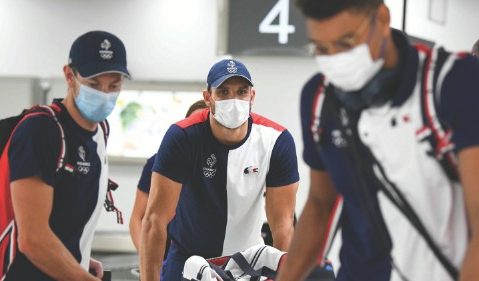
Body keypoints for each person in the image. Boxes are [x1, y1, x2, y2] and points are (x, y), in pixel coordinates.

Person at [276, 1, 479, 281]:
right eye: (322, 49)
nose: (335, 59)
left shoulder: (455, 83)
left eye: (347, 43)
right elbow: (320, 205)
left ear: (381, 19)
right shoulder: (320, 99)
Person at [140, 59, 300, 281]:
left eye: (241, 91)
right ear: (208, 98)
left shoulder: (277, 140)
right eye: (223, 92)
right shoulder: (182, 137)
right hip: (187, 262)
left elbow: (283, 224)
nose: (233, 100)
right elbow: (155, 220)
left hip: (248, 264)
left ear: (252, 96)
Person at [0, 31, 130, 280]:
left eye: (114, 85)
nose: (104, 94)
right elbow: (33, 238)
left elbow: (64, 220)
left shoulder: (101, 130)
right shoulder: (42, 130)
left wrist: (79, 256)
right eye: (93, 84)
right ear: (70, 76)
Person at [129, 99, 208, 255]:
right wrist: (148, 260)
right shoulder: (158, 162)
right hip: (166, 254)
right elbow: (137, 219)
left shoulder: (223, 164)